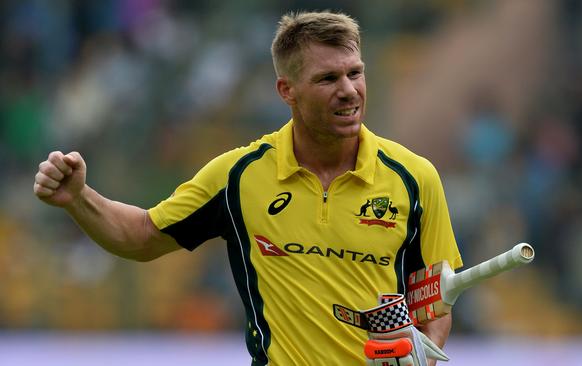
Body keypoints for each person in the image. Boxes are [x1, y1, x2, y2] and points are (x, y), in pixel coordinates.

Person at [34, 11, 462, 365]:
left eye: (355, 73)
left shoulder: (415, 177)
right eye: (328, 79)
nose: (349, 90)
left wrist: (425, 352)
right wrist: (78, 199)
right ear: (286, 91)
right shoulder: (240, 174)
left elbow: (435, 298)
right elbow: (143, 236)